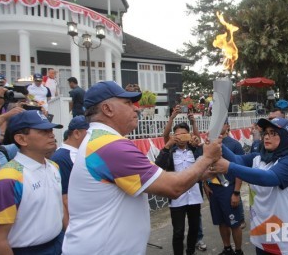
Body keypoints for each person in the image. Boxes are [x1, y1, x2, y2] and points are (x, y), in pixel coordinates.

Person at [62, 81, 222, 254]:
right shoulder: (109, 145)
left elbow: (157, 176)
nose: (136, 108)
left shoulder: (101, 141)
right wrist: (206, 158)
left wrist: (200, 173)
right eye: (128, 103)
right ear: (108, 109)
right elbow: (173, 186)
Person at [212, 117, 288, 255]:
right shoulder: (259, 158)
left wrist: (228, 167)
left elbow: (267, 178)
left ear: (285, 136)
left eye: (273, 133)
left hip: (287, 241)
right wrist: (219, 144)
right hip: (262, 237)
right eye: (265, 133)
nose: (267, 137)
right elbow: (237, 159)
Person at [0, 110, 65, 254]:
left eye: (50, 129)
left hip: (58, 244)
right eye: (43, 131)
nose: (51, 134)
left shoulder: (53, 166)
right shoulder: (7, 179)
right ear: (21, 139)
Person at [156, 122, 203, 255]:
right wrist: (167, 145)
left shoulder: (194, 150)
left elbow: (207, 161)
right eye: (177, 135)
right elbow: (158, 166)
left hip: (194, 196)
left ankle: (190, 252)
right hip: (176, 196)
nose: (181, 137)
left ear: (189, 135)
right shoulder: (170, 151)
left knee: (194, 228)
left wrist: (199, 145)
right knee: (178, 231)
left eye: (184, 134)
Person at [203, 121, 245, 255]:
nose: (218, 127)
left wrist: (236, 192)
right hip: (214, 189)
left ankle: (238, 251)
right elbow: (204, 164)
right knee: (221, 221)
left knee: (234, 223)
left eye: (221, 124)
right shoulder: (209, 144)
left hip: (229, 188)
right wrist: (205, 183)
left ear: (227, 126)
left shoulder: (234, 144)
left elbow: (241, 169)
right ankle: (227, 249)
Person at [50, 116, 89, 229]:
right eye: (90, 134)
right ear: (76, 133)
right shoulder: (61, 157)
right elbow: (64, 198)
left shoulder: (82, 153)